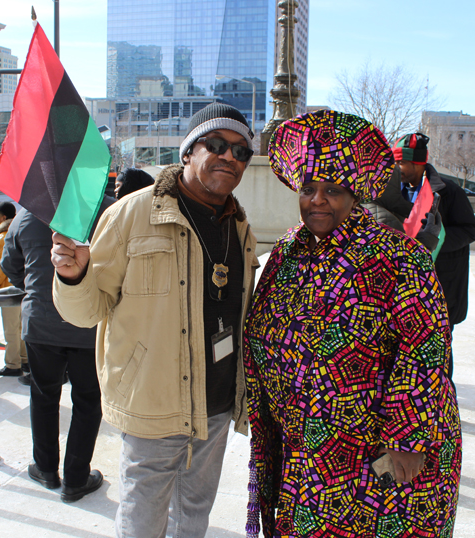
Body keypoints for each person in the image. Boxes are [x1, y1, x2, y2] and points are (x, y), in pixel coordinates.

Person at [244, 110, 461, 538]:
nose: (317, 200)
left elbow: (426, 348)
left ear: (355, 194)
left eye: (332, 189)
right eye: (308, 189)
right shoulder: (288, 252)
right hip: (305, 446)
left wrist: (409, 439)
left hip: (378, 454)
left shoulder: (397, 256)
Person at [51, 103, 259, 537]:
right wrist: (73, 275)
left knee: (195, 513)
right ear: (187, 152)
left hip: (216, 406)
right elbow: (87, 311)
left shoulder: (240, 227)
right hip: (152, 405)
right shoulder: (131, 213)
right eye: (216, 145)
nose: (229, 157)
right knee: (142, 520)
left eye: (241, 152)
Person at [1, 209, 103, 502]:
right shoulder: (103, 208)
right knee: (87, 401)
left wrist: (37, 287)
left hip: (40, 322)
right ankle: (76, 478)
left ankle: (45, 469)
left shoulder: (26, 216)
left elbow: (11, 265)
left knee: (43, 395)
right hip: (87, 324)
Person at [393, 133, 475, 376]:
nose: (396, 169)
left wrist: (435, 239)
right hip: (405, 285)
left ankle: (444, 398)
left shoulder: (448, 191)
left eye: (400, 163)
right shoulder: (392, 192)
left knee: (439, 349)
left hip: (442, 283)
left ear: (417, 163)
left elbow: (470, 229)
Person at [0, 201, 28, 377]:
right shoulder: (21, 230)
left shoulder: (3, 236)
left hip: (8, 289)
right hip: (24, 288)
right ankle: (25, 360)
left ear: (3, 217)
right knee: (21, 327)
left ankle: (12, 365)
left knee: (11, 329)